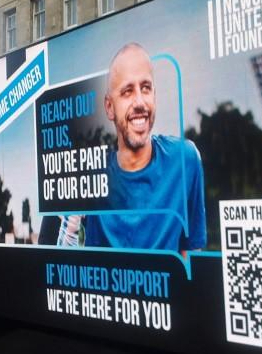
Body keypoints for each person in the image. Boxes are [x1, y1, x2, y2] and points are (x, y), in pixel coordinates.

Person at [83, 43, 206, 253]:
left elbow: (192, 255)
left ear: (154, 95)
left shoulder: (185, 160)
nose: (140, 102)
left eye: (146, 88)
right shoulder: (89, 175)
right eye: (127, 91)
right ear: (110, 107)